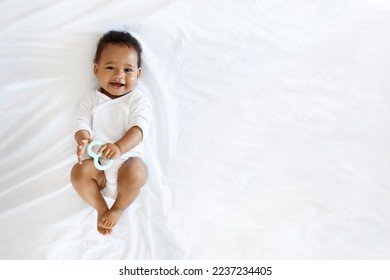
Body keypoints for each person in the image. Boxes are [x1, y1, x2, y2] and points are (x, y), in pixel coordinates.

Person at [70, 30, 152, 235]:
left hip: (126, 161)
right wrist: (83, 140)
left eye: (127, 69)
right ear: (96, 70)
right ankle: (101, 208)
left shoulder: (136, 99)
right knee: (78, 173)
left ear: (138, 74)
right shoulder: (91, 99)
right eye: (110, 67)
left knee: (138, 171)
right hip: (99, 169)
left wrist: (118, 147)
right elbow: (81, 123)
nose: (119, 75)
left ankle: (117, 208)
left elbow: (139, 129)